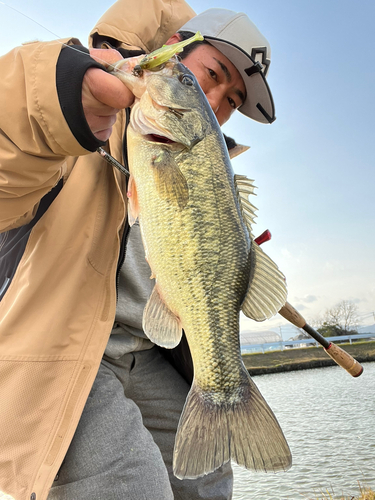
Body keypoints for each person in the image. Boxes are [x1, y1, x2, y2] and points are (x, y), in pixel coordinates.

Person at [0, 0, 276, 499]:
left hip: (147, 350)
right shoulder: (83, 115)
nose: (216, 101)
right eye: (209, 76)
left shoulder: (211, 166)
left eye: (233, 100)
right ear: (170, 54)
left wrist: (231, 252)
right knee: (132, 485)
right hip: (57, 342)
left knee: (207, 483)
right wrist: (57, 106)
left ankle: (223, 392)